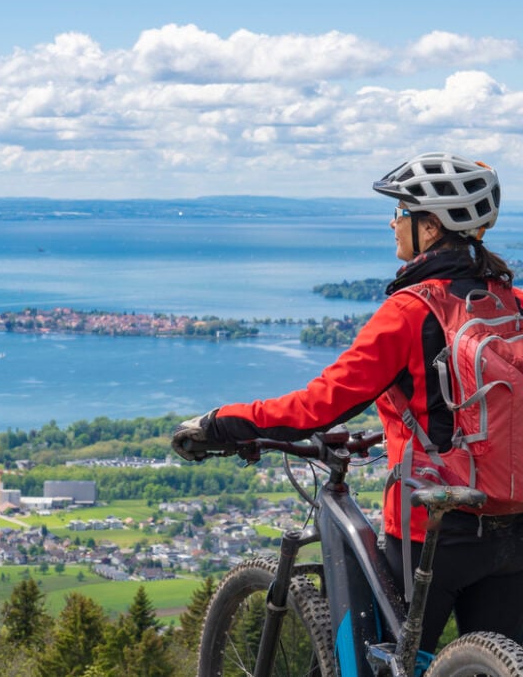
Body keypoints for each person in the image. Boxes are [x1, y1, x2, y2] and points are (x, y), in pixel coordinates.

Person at [171, 151, 523, 654]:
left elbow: (317, 407)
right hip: (514, 524)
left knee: (385, 661)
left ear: (431, 226)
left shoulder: (410, 310)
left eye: (401, 211)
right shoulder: (512, 302)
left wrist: (225, 421)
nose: (393, 222)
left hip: (434, 529)